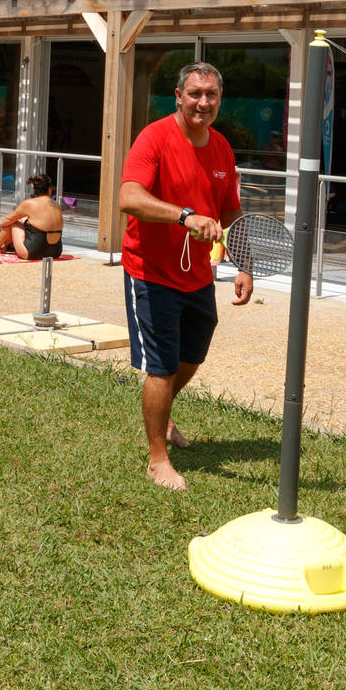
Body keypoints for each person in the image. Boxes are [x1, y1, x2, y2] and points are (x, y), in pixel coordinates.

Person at [117, 61, 252, 491]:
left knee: (191, 356)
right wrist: (185, 216)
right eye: (195, 94)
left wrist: (243, 261)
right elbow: (129, 197)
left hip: (197, 274)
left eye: (211, 95)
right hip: (150, 271)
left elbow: (231, 209)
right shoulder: (154, 138)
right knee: (160, 366)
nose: (203, 102)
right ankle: (158, 459)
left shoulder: (222, 149)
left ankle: (163, 413)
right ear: (179, 96)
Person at [0, 173, 64, 261]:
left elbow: (8, 220)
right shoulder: (56, 205)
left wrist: (1, 224)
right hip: (55, 252)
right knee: (24, 220)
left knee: (14, 222)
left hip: (33, 252)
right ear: (49, 189)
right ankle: (1, 246)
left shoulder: (30, 203)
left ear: (35, 190)